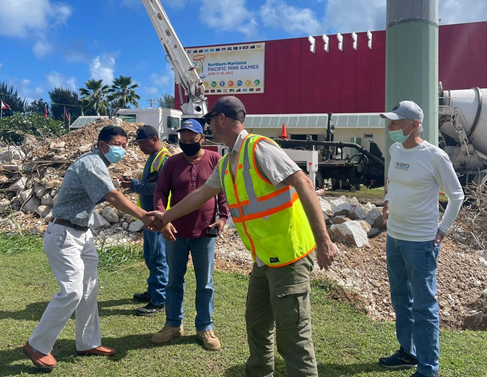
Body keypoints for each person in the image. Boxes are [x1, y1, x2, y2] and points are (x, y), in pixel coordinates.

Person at [148, 96, 337, 377]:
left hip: (290, 256)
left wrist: (323, 240)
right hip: (263, 259)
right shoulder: (226, 163)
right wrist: (165, 217)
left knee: (292, 335)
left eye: (210, 120)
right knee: (257, 324)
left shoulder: (259, 148)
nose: (209, 126)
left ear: (221, 119)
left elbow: (303, 182)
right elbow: (200, 196)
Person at [23, 125, 157, 372]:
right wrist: (144, 215)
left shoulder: (99, 164)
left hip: (82, 234)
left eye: (125, 146)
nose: (121, 150)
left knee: (89, 291)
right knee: (72, 292)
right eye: (117, 144)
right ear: (101, 144)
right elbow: (112, 196)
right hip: (64, 234)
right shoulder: (91, 163)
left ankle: (87, 343)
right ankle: (37, 345)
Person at [379, 101, 464, 377]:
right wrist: (388, 201)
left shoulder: (434, 156)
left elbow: (456, 195)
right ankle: (408, 352)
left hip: (421, 242)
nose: (391, 127)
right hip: (395, 239)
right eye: (390, 121)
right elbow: (392, 181)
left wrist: (442, 230)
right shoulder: (395, 149)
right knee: (400, 298)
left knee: (424, 306)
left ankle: (428, 369)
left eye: (396, 122)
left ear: (414, 124)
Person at [150, 119, 229, 351]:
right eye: (182, 141)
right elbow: (160, 192)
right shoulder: (172, 163)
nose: (187, 144)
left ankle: (205, 327)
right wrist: (162, 220)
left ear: (202, 138)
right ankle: (173, 324)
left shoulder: (215, 160)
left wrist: (223, 218)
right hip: (175, 233)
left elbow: (223, 191)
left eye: (191, 140)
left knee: (205, 283)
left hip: (205, 232)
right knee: (174, 281)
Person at [125, 124, 171, 316]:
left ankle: (160, 299)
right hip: (149, 217)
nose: (140, 147)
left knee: (159, 257)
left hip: (159, 218)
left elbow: (157, 187)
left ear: (154, 139)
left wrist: (135, 186)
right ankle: (153, 291)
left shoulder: (165, 159)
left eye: (143, 143)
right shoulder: (153, 158)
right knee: (150, 256)